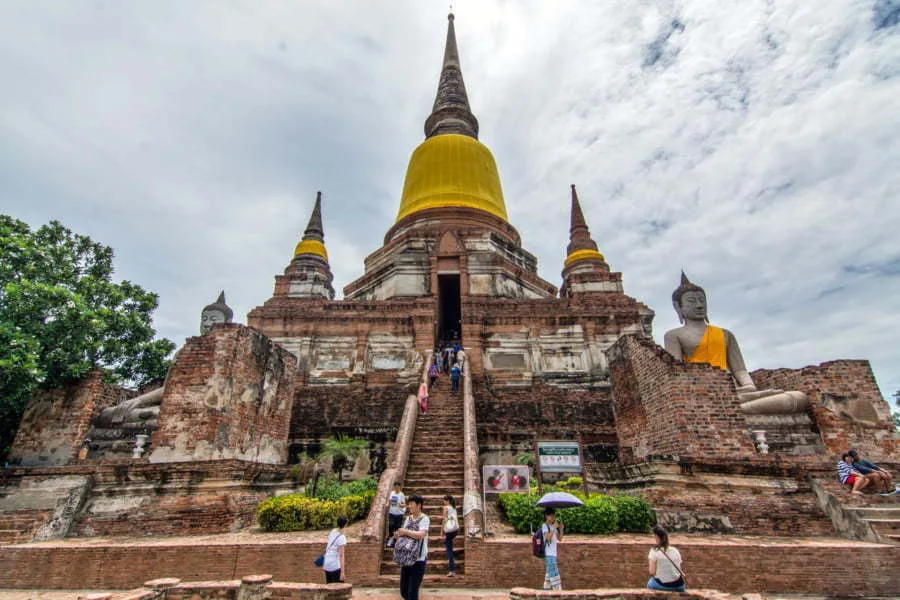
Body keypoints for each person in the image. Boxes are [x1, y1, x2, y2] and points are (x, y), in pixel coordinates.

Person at [395, 493, 430, 600]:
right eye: (409, 503)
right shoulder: (408, 518)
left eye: (411, 503)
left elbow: (420, 535)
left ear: (419, 505)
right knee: (404, 591)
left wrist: (405, 531)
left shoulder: (425, 519)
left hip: (418, 560)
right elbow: (405, 534)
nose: (409, 506)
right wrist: (399, 534)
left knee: (412, 592)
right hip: (406, 558)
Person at [647, 525, 685, 592]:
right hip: (679, 585)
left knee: (650, 583)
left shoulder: (654, 551)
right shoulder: (675, 550)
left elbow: (652, 572)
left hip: (663, 585)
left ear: (657, 537)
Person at [541, 508, 564, 590]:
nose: (553, 517)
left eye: (554, 515)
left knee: (548, 576)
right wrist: (554, 527)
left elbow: (560, 539)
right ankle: (558, 593)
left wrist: (561, 529)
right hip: (548, 554)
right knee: (554, 575)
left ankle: (545, 593)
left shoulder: (552, 526)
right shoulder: (545, 526)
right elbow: (548, 538)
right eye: (551, 515)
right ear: (546, 516)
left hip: (553, 554)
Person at [323, 515, 348, 583]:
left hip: (327, 563)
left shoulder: (333, 531)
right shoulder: (342, 538)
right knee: (339, 588)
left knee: (329, 586)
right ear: (345, 525)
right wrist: (342, 572)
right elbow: (341, 555)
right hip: (334, 565)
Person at [442, 495, 459, 576]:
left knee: (449, 549)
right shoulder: (454, 507)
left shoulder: (446, 507)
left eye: (444, 500)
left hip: (449, 530)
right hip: (455, 530)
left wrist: (442, 530)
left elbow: (444, 519)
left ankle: (452, 570)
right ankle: (452, 567)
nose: (444, 502)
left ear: (448, 501)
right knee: (448, 543)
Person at [387, 482, 406, 547]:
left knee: (397, 527)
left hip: (399, 514)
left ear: (400, 487)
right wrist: (387, 504)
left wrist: (400, 505)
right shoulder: (392, 493)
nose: (397, 488)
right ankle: (390, 538)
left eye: (398, 487)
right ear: (394, 487)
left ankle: (396, 542)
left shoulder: (401, 494)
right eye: (395, 487)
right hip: (392, 513)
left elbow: (404, 505)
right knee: (391, 525)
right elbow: (389, 501)